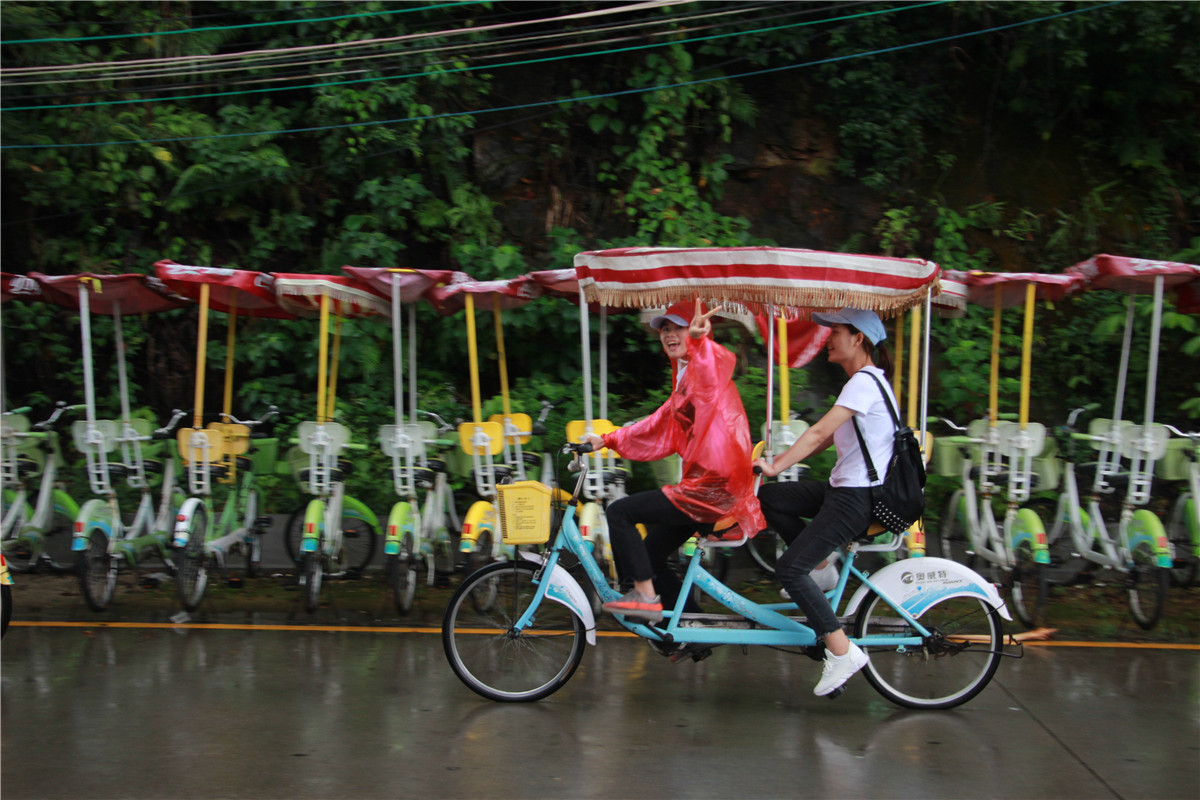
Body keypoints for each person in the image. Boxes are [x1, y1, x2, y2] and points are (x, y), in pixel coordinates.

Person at [581, 298, 765, 627]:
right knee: (650, 555)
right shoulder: (684, 383)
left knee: (619, 512)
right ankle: (689, 631)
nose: (669, 333)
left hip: (710, 488)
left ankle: (646, 597)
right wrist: (606, 440)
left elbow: (714, 363)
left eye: (677, 326)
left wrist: (700, 340)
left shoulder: (705, 371)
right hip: (703, 487)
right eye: (665, 328)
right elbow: (656, 425)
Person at [753, 307, 898, 697]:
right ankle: (820, 564)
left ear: (858, 339)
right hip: (843, 491)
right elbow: (837, 438)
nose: (828, 338)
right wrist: (780, 466)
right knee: (771, 498)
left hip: (856, 499)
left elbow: (818, 433)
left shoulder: (864, 383)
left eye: (835, 331)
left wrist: (778, 464)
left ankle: (841, 651)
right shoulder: (865, 383)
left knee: (789, 570)